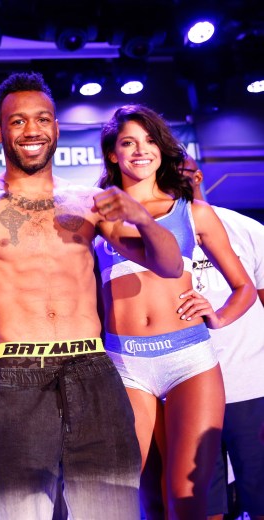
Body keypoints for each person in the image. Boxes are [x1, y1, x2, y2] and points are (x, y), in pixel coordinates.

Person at [0, 72, 185, 520]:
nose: (32, 130)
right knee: (23, 513)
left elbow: (170, 265)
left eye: (42, 119)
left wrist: (145, 218)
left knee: (110, 510)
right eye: (17, 122)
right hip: (18, 373)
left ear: (56, 128)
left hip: (92, 369)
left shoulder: (88, 202)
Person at [94, 106, 256, 518]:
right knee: (138, 489)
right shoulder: (96, 214)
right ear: (113, 153)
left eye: (150, 141)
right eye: (128, 142)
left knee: (188, 494)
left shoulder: (193, 212)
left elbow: (244, 288)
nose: (140, 150)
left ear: (162, 150)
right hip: (126, 363)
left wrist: (217, 316)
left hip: (190, 360)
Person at [178, 155, 264, 520]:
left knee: (259, 494)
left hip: (250, 384)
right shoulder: (148, 236)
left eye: (179, 170)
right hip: (188, 387)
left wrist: (221, 317)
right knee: (204, 502)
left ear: (197, 176)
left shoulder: (245, 229)